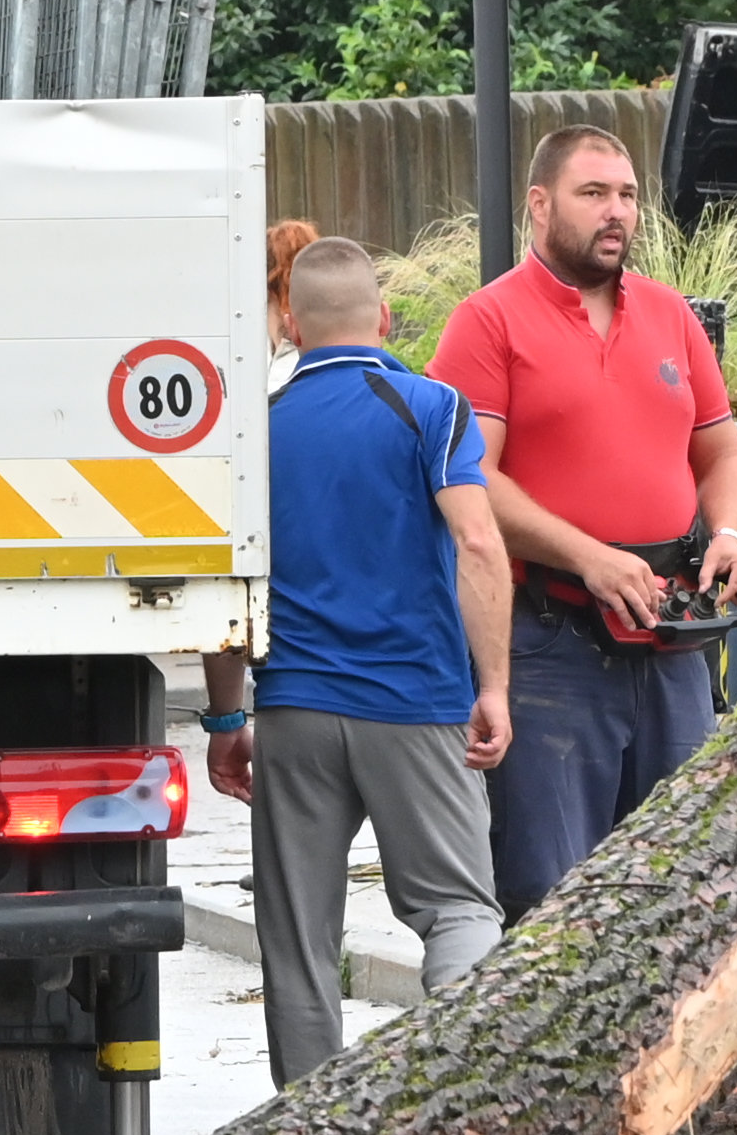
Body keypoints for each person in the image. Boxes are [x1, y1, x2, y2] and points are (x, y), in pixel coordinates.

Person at [198, 234, 513, 1081]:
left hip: (294, 710)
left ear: (291, 325)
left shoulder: (251, 433)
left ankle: (309, 1130)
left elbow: (228, 587)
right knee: (458, 911)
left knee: (297, 937)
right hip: (417, 704)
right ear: (384, 317)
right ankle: (469, 1088)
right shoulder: (432, 408)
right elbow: (478, 542)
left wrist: (226, 721)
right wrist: (494, 686)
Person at [430, 127, 737, 915]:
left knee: (686, 890)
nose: (616, 212)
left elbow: (723, 455)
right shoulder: (488, 321)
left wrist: (731, 535)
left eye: (627, 195)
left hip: (673, 644)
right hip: (550, 644)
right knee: (551, 897)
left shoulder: (672, 316)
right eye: (593, 194)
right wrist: (588, 556)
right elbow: (470, 479)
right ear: (540, 205)